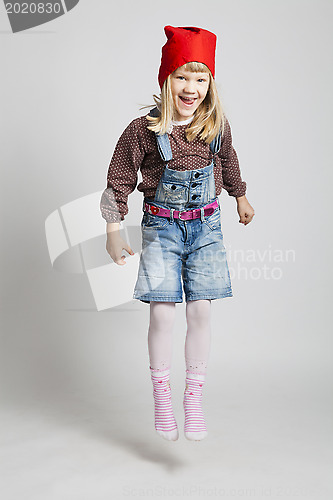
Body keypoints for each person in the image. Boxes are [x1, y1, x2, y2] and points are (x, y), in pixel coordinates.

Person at [100, 25, 255, 442]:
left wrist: (240, 196)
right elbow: (119, 179)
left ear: (210, 83)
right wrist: (113, 227)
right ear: (166, 79)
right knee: (163, 312)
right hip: (162, 229)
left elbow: (229, 164)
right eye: (182, 77)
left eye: (200, 78)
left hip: (206, 228)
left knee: (201, 310)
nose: (191, 88)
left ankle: (194, 398)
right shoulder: (144, 130)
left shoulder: (216, 127)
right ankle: (162, 395)